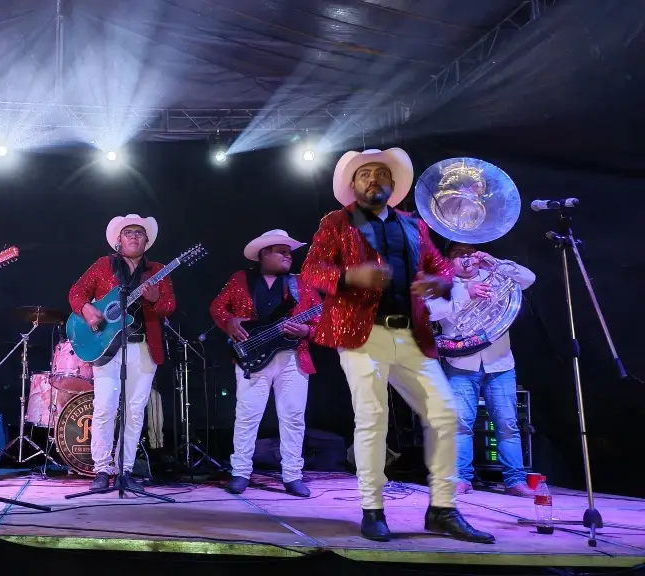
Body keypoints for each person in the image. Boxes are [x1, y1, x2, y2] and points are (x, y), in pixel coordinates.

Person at [300, 148, 494, 544]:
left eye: (381, 174)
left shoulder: (412, 225)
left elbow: (439, 268)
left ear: (392, 185)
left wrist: (440, 283)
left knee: (445, 413)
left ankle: (442, 509)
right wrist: (352, 275)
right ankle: (373, 510)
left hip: (410, 335)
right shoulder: (337, 222)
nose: (374, 179)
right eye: (365, 174)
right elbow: (312, 270)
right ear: (353, 185)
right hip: (361, 333)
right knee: (372, 419)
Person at [209, 230, 322, 497]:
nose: (287, 256)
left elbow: (322, 320)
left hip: (293, 358)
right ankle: (240, 473)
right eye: (281, 251)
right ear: (264, 254)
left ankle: (293, 475)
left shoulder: (301, 283)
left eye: (289, 252)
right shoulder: (240, 279)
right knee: (248, 416)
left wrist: (306, 332)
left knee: (293, 417)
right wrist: (230, 322)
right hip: (252, 357)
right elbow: (217, 308)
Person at [68, 214, 176, 490]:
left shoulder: (159, 270)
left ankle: (126, 470)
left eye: (139, 233)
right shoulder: (104, 265)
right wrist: (86, 309)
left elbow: (169, 306)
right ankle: (103, 470)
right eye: (128, 232)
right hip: (108, 348)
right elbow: (77, 291)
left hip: (142, 347)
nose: (133, 237)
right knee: (105, 407)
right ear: (119, 239)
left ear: (147, 241)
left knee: (135, 411)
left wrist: (154, 300)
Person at [427, 242, 536, 497]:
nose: (466, 260)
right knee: (460, 424)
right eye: (458, 255)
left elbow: (529, 278)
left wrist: (494, 262)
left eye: (470, 253)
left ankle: (515, 481)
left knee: (507, 424)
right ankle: (461, 478)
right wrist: (468, 295)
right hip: (461, 364)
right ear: (448, 260)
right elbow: (430, 311)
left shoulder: (495, 275)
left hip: (500, 361)